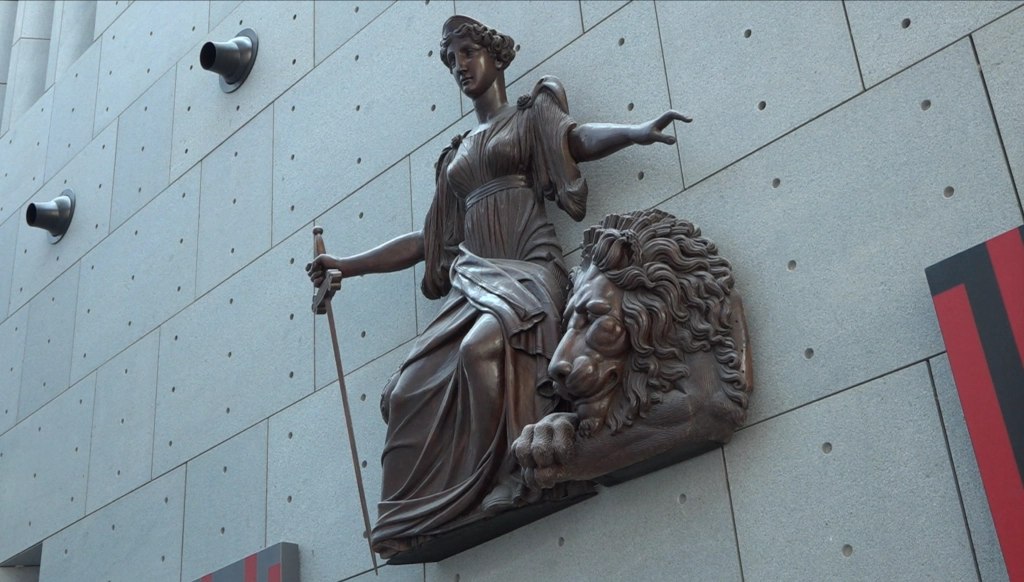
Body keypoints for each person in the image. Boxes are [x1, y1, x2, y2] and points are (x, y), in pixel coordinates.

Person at [306, 15, 690, 559]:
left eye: (467, 53)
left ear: (495, 57)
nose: (459, 66)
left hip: (530, 271)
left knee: (476, 349)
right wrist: (347, 264)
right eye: (451, 60)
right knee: (404, 390)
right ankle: (425, 513)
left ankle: (513, 471)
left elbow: (575, 139)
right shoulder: (455, 157)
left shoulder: (530, 117)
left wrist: (635, 132)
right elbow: (427, 240)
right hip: (476, 284)